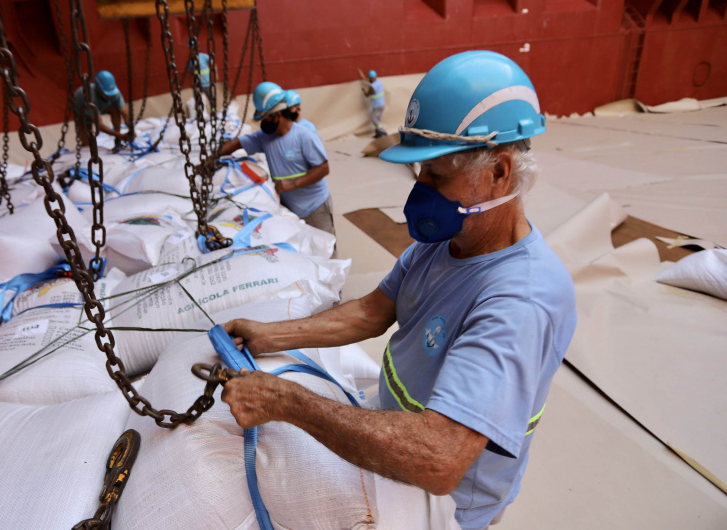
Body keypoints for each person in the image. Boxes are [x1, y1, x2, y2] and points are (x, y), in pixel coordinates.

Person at [220, 51, 577, 530]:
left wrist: (288, 402)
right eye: (419, 172)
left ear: (499, 172)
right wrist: (271, 335)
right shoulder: (446, 241)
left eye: (437, 176)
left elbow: (441, 457)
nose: (420, 189)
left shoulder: (520, 301)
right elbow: (372, 311)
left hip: (445, 503)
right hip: (391, 438)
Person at [217, 81, 336, 251]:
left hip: (314, 206)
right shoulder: (265, 137)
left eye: (266, 117)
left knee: (325, 248)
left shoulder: (304, 135)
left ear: (278, 115)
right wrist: (210, 159)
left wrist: (293, 184)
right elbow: (237, 143)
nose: (263, 122)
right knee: (302, 250)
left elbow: (323, 168)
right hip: (290, 207)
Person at [72, 70, 133, 145]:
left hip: (100, 107)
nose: (108, 96)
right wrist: (121, 136)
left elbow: (124, 112)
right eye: (105, 93)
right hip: (82, 114)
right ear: (98, 89)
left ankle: (117, 141)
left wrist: (131, 129)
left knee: (115, 109)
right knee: (87, 143)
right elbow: (99, 126)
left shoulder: (114, 92)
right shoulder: (88, 97)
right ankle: (118, 137)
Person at [362, 69, 386, 137]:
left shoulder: (372, 87)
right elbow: (371, 83)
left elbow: (367, 95)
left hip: (377, 105)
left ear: (371, 78)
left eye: (369, 78)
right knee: (378, 119)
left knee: (374, 119)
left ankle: (382, 131)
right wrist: (367, 81)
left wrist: (363, 90)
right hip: (381, 104)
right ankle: (378, 133)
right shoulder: (378, 82)